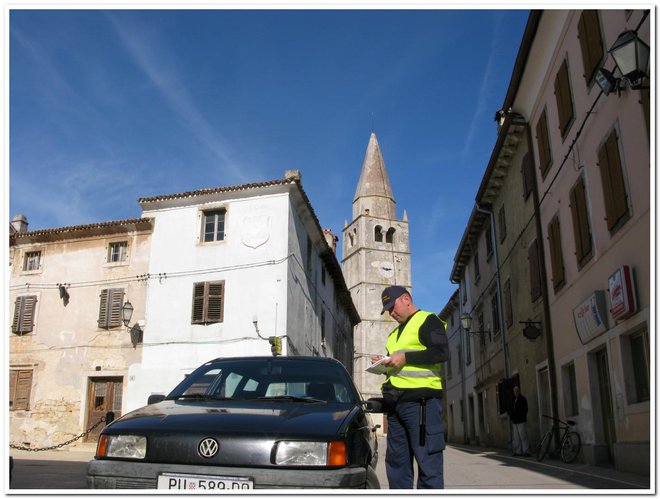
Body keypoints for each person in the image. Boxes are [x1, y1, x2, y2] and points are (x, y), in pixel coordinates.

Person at [373, 285, 449, 489]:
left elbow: (441, 353)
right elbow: (399, 367)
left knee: (428, 464)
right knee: (397, 466)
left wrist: (405, 357)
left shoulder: (428, 319)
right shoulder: (393, 335)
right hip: (396, 405)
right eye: (387, 309)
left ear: (406, 299)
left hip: (422, 404)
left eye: (392, 306)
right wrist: (385, 362)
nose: (391, 312)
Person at [509, 385, 530, 457]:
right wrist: (512, 417)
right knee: (516, 437)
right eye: (514, 391)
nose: (516, 392)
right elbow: (511, 410)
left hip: (521, 420)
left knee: (523, 436)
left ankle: (526, 451)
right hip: (515, 421)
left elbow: (525, 410)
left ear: (519, 391)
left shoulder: (523, 399)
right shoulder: (513, 400)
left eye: (517, 391)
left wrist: (518, 414)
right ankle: (518, 451)